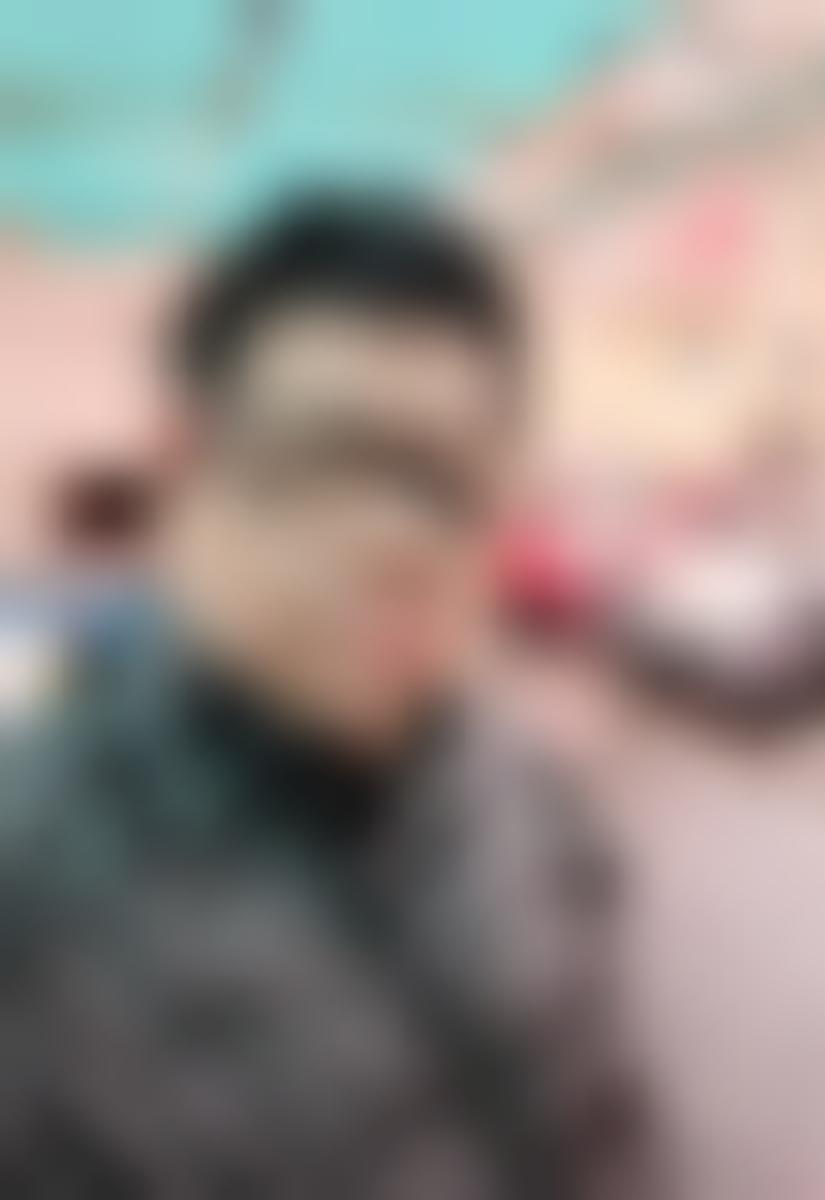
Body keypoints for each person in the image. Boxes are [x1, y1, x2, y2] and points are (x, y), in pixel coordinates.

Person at [0, 197, 652, 1199]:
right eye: (326, 459)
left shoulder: (534, 812)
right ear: (185, 459)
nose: (393, 535)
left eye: (443, 478)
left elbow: (611, 1135)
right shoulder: (33, 867)